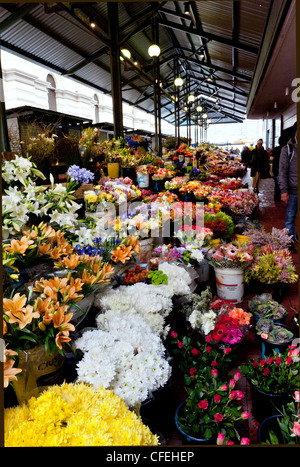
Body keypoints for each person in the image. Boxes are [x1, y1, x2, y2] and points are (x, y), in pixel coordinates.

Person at [278, 122, 298, 248]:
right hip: (293, 191)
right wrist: (283, 191)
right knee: (290, 217)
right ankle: (287, 242)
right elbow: (282, 171)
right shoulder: (288, 149)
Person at [270, 136, 285, 202]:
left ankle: (277, 198)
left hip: (277, 168)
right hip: (285, 169)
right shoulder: (287, 149)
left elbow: (271, 159)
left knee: (277, 184)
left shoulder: (276, 149)